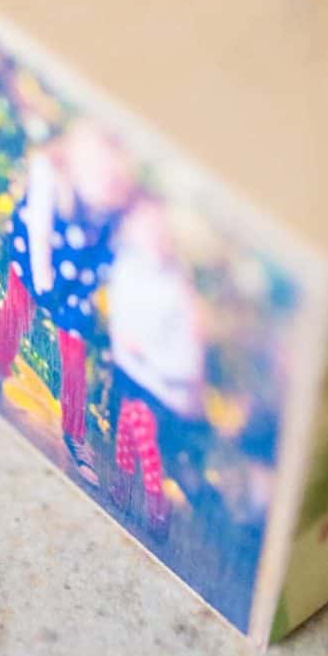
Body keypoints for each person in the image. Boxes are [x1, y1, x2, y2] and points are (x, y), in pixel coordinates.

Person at [0, 120, 134, 483]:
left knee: (74, 358)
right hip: (36, 262)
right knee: (15, 312)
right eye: (100, 172)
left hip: (77, 281)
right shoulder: (49, 172)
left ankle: (75, 435)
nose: (106, 182)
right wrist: (43, 282)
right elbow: (38, 231)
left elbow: (113, 260)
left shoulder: (113, 202)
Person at [107, 196, 207, 538]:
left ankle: (155, 506)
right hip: (131, 370)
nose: (151, 234)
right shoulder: (127, 265)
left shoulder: (175, 277)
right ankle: (126, 490)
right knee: (127, 429)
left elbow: (180, 341)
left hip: (160, 379)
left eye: (157, 228)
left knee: (143, 435)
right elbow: (123, 313)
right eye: (143, 226)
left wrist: (147, 351)